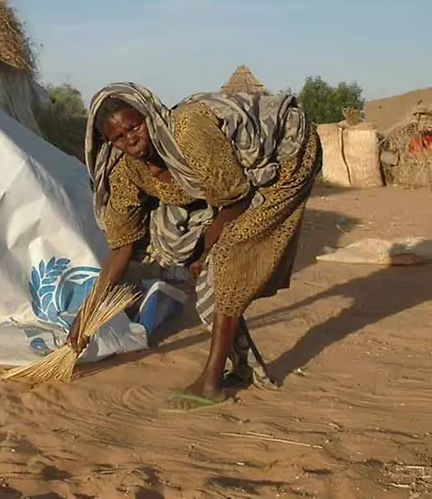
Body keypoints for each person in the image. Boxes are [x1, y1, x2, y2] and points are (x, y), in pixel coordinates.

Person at [68, 82, 321, 412]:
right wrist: (85, 318)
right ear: (108, 142)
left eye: (135, 126)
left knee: (228, 257)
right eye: (119, 137)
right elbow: (122, 247)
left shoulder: (187, 131)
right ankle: (241, 369)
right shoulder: (123, 169)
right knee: (196, 263)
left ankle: (212, 382)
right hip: (233, 189)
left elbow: (236, 197)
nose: (131, 140)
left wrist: (204, 251)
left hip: (287, 157)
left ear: (149, 115)